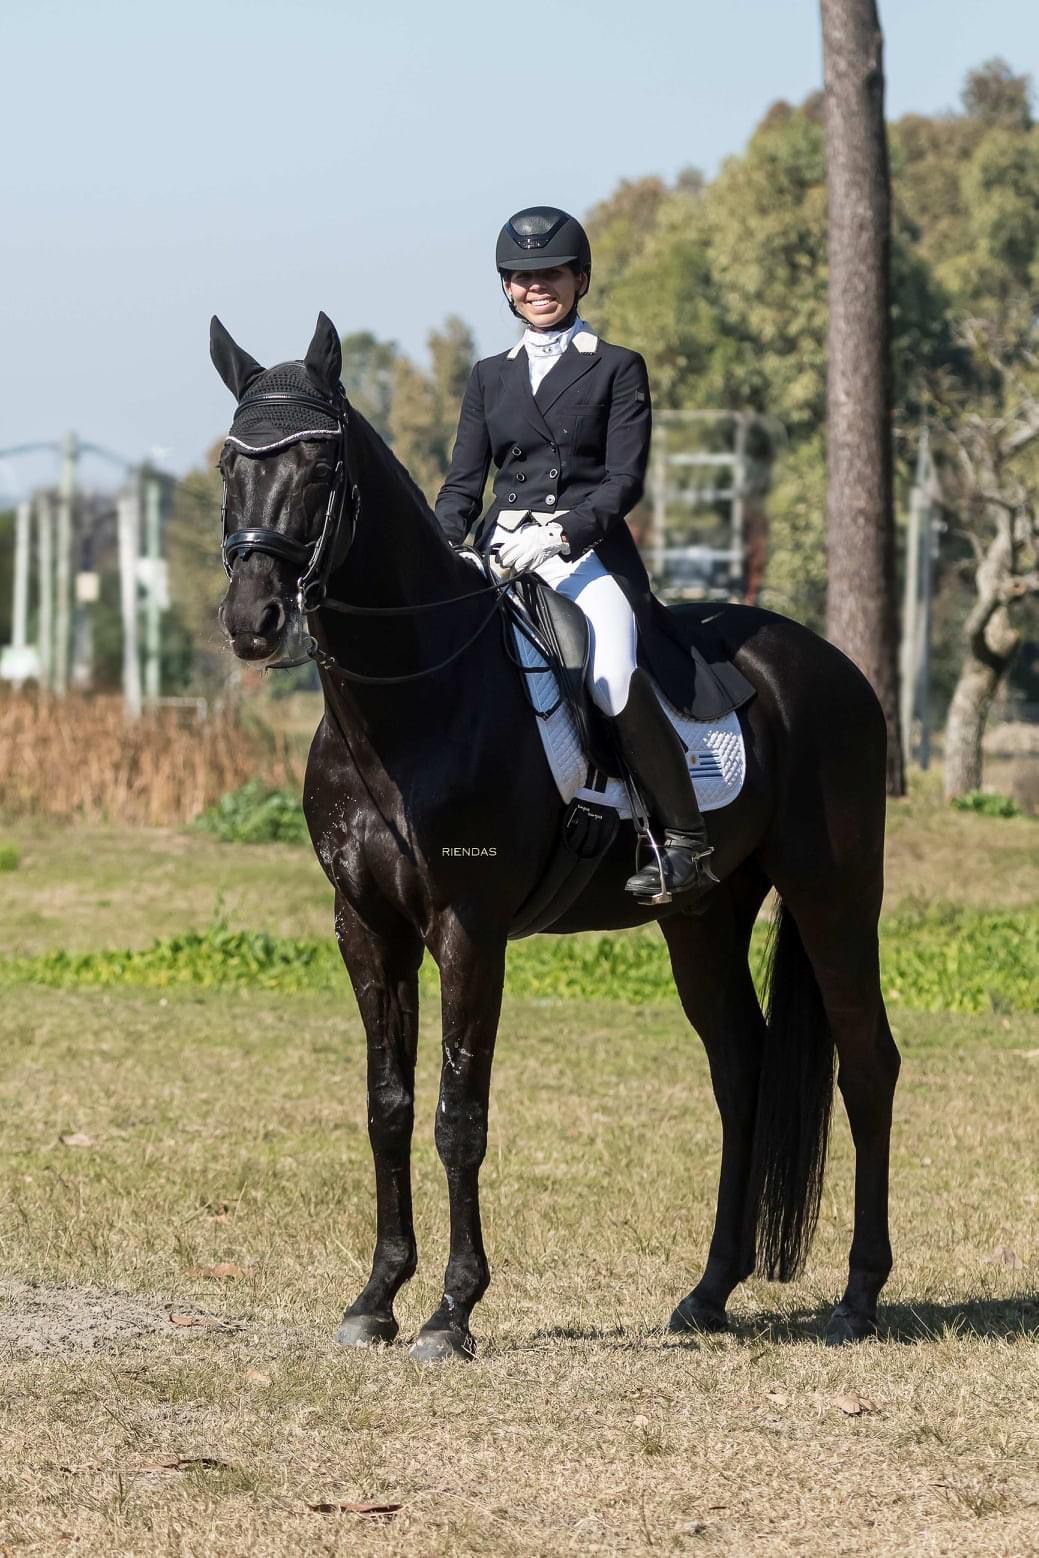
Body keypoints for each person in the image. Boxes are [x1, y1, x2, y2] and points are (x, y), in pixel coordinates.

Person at [434, 205, 716, 901]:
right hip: (500, 554)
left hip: (582, 552)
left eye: (551, 274)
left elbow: (624, 480)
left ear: (579, 278)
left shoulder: (616, 368)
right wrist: (443, 545)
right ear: (506, 287)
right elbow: (464, 483)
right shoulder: (488, 376)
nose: (537, 287)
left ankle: (683, 840)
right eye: (523, 278)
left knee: (611, 675)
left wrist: (560, 533)